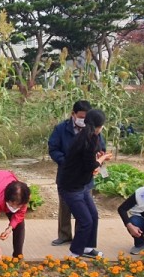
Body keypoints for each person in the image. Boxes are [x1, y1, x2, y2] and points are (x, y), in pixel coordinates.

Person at [58, 109, 112, 258]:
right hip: (71, 187)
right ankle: (74, 254)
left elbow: (87, 158)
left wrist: (98, 155)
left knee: (93, 215)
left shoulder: (92, 137)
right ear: (100, 125)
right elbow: (91, 166)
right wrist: (102, 159)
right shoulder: (85, 139)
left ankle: (88, 248)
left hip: (81, 185)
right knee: (85, 221)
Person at [48, 100, 95, 246]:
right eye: (81, 117)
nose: (83, 121)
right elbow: (53, 148)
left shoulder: (92, 130)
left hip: (85, 178)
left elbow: (101, 148)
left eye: (86, 118)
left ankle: (81, 237)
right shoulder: (61, 129)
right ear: (73, 114)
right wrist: (66, 162)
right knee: (65, 206)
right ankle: (64, 235)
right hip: (66, 175)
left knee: (84, 209)